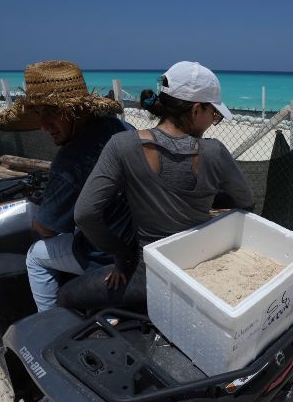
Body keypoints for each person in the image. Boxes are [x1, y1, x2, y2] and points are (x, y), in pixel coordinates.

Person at [59, 61, 254, 311]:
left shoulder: (122, 146)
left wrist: (121, 253)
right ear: (196, 110)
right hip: (199, 275)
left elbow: (84, 215)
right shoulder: (214, 152)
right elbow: (246, 201)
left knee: (65, 296)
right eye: (214, 114)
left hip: (147, 280)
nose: (213, 120)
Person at [0, 60, 136, 312]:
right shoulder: (120, 127)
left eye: (51, 112)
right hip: (139, 238)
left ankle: (49, 322)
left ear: (77, 111)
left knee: (35, 256)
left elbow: (46, 228)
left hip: (105, 256)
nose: (43, 125)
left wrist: (37, 222)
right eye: (39, 114)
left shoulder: (70, 162)